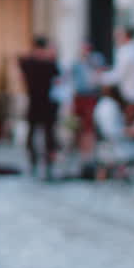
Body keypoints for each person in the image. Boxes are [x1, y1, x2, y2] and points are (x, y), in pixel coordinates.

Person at [19, 36, 60, 180]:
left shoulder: (29, 62)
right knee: (46, 134)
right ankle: (44, 162)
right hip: (44, 103)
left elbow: (20, 60)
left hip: (37, 102)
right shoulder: (48, 63)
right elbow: (58, 76)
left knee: (38, 133)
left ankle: (36, 162)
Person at [102, 26, 134, 117]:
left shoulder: (125, 51)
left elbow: (117, 76)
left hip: (130, 98)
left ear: (125, 36)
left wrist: (99, 77)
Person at [70, 43, 105, 154]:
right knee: (76, 123)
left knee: (89, 124)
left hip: (90, 96)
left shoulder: (95, 61)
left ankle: (88, 149)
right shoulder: (76, 64)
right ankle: (78, 147)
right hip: (79, 96)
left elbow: (99, 75)